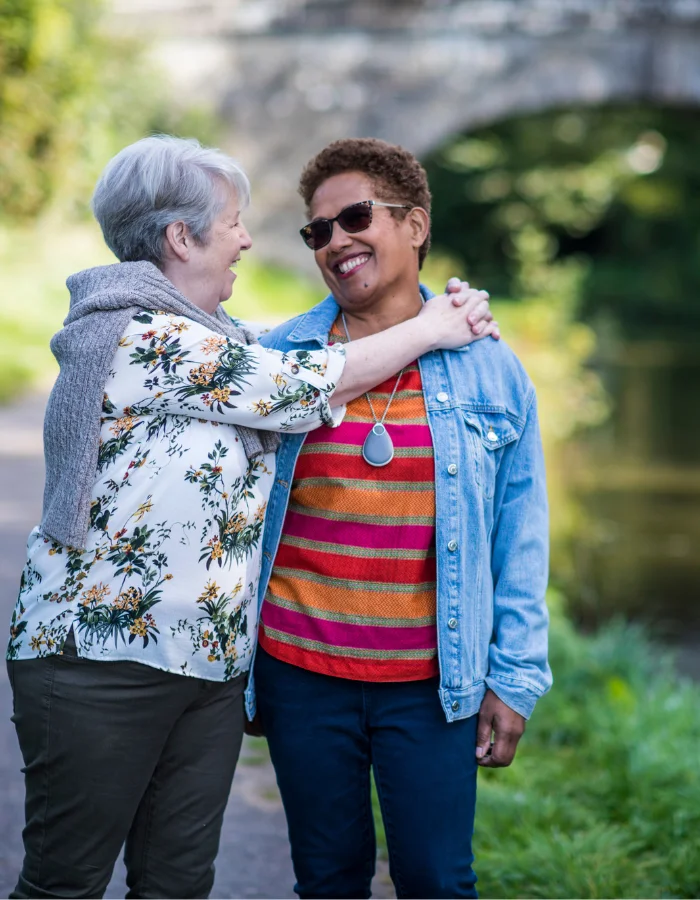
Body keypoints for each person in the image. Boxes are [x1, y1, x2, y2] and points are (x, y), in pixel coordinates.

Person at [5, 135, 497, 900]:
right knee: (65, 882)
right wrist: (435, 327)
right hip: (99, 663)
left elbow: (275, 366)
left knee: (175, 884)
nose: (244, 238)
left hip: (204, 667)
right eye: (232, 221)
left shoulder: (218, 343)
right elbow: (304, 381)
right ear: (180, 237)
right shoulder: (140, 336)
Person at [248, 138, 552, 899]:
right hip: (300, 673)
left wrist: (514, 676)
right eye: (317, 231)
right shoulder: (283, 355)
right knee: (327, 881)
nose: (335, 242)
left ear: (414, 226)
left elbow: (522, 532)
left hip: (430, 682)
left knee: (437, 881)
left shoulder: (490, 366)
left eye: (356, 218)